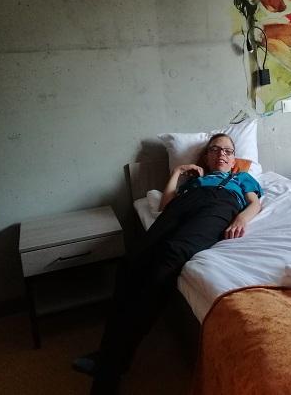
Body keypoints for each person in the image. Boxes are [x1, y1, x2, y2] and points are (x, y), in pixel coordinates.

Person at [74, 133, 262, 394]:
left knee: (170, 256)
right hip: (183, 205)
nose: (221, 154)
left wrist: (241, 219)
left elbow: (254, 203)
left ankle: (110, 367)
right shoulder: (193, 181)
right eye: (215, 149)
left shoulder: (242, 178)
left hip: (219, 205)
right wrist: (177, 172)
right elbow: (164, 205)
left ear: (233, 159)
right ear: (206, 157)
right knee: (130, 263)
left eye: (227, 151)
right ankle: (108, 354)